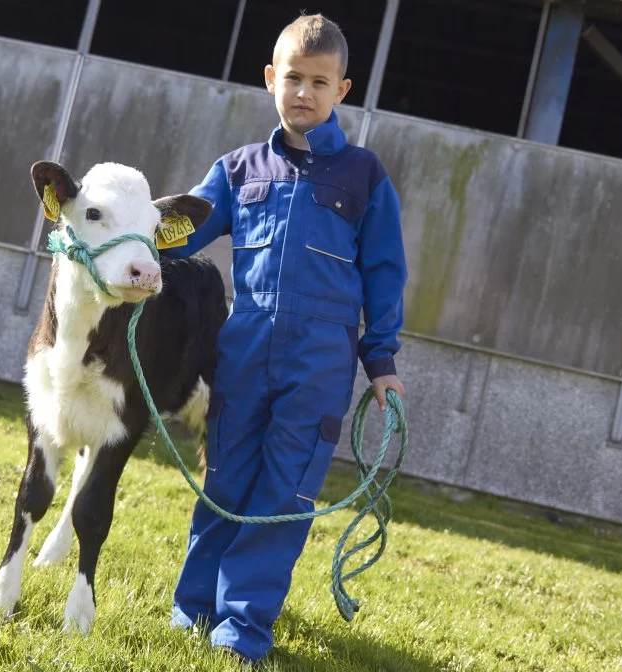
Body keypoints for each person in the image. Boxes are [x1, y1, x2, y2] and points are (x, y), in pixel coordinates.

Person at [160, 12, 408, 665]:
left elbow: (385, 272)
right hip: (245, 345)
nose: (304, 92)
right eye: (293, 77)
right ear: (271, 78)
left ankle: (242, 623)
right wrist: (123, 231)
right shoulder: (238, 169)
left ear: (342, 91)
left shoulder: (363, 177)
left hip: (322, 358)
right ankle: (196, 605)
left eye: (319, 82)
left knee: (285, 488)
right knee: (227, 476)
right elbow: (180, 230)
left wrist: (381, 360)